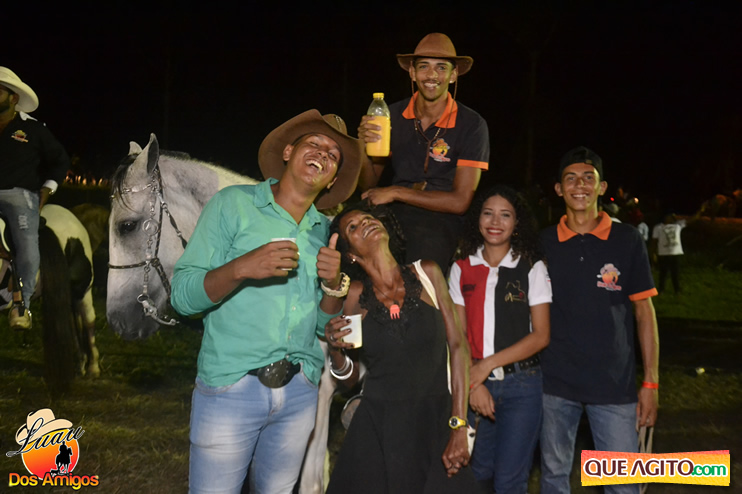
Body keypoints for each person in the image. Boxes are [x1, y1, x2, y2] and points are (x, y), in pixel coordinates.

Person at [170, 110, 362, 494]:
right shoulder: (233, 204)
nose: (323, 154)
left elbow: (323, 327)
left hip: (299, 394)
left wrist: (332, 287)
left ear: (332, 180)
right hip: (231, 388)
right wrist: (241, 268)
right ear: (288, 152)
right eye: (314, 143)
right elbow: (182, 298)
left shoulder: (324, 232)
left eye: (333, 155)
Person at [323, 204, 485, 494]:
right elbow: (349, 379)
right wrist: (336, 351)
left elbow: (459, 346)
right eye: (353, 227)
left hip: (435, 420)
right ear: (351, 255)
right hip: (381, 426)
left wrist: (458, 424)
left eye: (368, 218)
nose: (365, 223)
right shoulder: (356, 296)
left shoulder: (428, 273)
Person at [539, 147, 659, 494]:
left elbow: (644, 313)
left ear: (602, 187)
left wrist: (650, 383)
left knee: (622, 484)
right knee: (553, 478)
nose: (580, 185)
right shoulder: (543, 242)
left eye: (588, 178)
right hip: (554, 384)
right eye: (570, 178)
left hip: (614, 385)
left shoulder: (627, 239)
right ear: (558, 189)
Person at [448, 185, 552, 493]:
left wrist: (486, 366)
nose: (495, 222)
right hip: (474, 385)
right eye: (488, 213)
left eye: (505, 215)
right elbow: (457, 337)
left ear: (517, 223)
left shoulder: (531, 267)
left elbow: (541, 336)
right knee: (477, 475)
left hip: (522, 387)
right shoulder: (461, 268)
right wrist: (475, 383)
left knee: (510, 481)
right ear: (477, 219)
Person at [357, 33, 490, 274]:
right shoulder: (391, 115)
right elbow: (368, 185)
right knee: (353, 243)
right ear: (412, 72)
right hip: (394, 213)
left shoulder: (471, 124)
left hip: (441, 217)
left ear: (453, 75)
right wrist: (362, 147)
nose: (431, 75)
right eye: (424, 66)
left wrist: (396, 192)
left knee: (421, 258)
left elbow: (460, 202)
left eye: (441, 68)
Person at [0, 67, 68, 330]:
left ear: (13, 98)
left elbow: (60, 160)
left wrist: (47, 189)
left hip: (19, 196)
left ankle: (21, 305)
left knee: (27, 244)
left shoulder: (33, 129)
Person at [651, 212, 686, 294]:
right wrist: (653, 253)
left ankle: (677, 290)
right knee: (663, 273)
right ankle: (661, 290)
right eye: (670, 216)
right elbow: (654, 242)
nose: (672, 218)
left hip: (675, 254)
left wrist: (701, 211)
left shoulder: (677, 226)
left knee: (675, 273)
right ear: (665, 217)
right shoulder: (658, 227)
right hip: (663, 254)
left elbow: (691, 220)